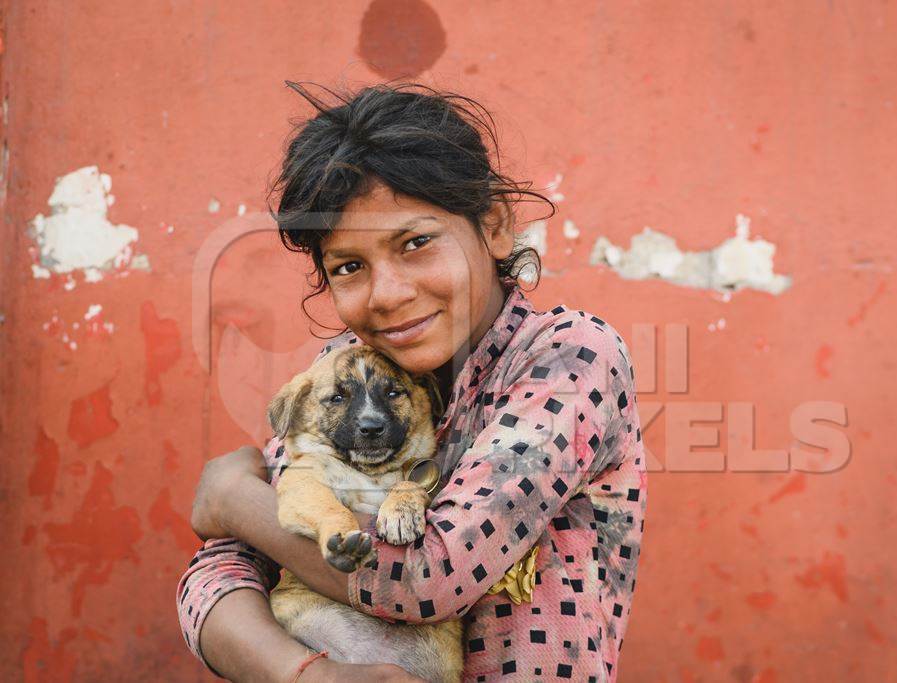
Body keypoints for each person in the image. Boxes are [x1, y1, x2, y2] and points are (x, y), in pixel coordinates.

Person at [177, 81, 647, 682]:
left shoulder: (567, 358)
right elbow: (214, 580)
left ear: (496, 227)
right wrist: (306, 676)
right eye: (348, 266)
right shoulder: (348, 364)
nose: (389, 294)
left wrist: (233, 499)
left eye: (416, 243)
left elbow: (429, 579)